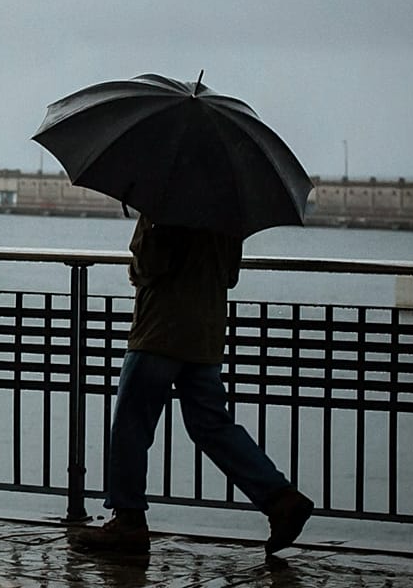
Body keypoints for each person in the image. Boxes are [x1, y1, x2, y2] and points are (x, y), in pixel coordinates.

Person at [71, 215, 313, 556]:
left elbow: (150, 266)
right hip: (206, 335)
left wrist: (139, 255)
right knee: (211, 425)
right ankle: (280, 498)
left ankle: (128, 520)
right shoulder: (226, 213)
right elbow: (230, 276)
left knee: (130, 426)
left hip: (159, 333)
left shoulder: (165, 206)